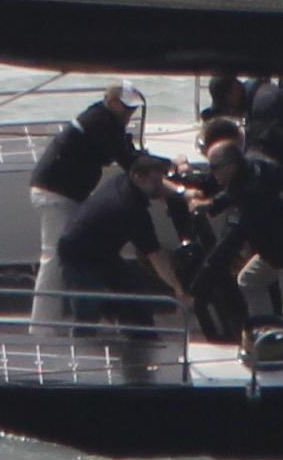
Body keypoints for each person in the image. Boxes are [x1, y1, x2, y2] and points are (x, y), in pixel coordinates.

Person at [50, 150, 190, 377]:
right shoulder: (130, 208)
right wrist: (178, 288)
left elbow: (159, 189)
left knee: (133, 294)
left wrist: (183, 194)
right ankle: (77, 364)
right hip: (78, 254)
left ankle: (146, 343)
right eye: (155, 181)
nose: (159, 187)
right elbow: (155, 255)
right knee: (88, 309)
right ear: (138, 177)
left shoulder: (122, 180)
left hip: (104, 252)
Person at [24, 86, 146, 327]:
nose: (129, 112)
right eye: (126, 106)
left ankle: (88, 312)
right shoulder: (101, 122)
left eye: (133, 108)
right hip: (55, 193)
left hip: (66, 193)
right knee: (55, 258)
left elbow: (124, 153)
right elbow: (127, 160)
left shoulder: (104, 121)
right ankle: (42, 327)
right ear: (110, 102)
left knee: (71, 253)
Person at [203, 125, 283, 338]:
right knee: (249, 281)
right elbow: (234, 192)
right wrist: (212, 203)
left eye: (215, 167)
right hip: (277, 250)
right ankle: (265, 334)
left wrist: (203, 278)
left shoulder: (256, 194)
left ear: (232, 165)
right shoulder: (255, 164)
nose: (212, 173)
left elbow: (233, 238)